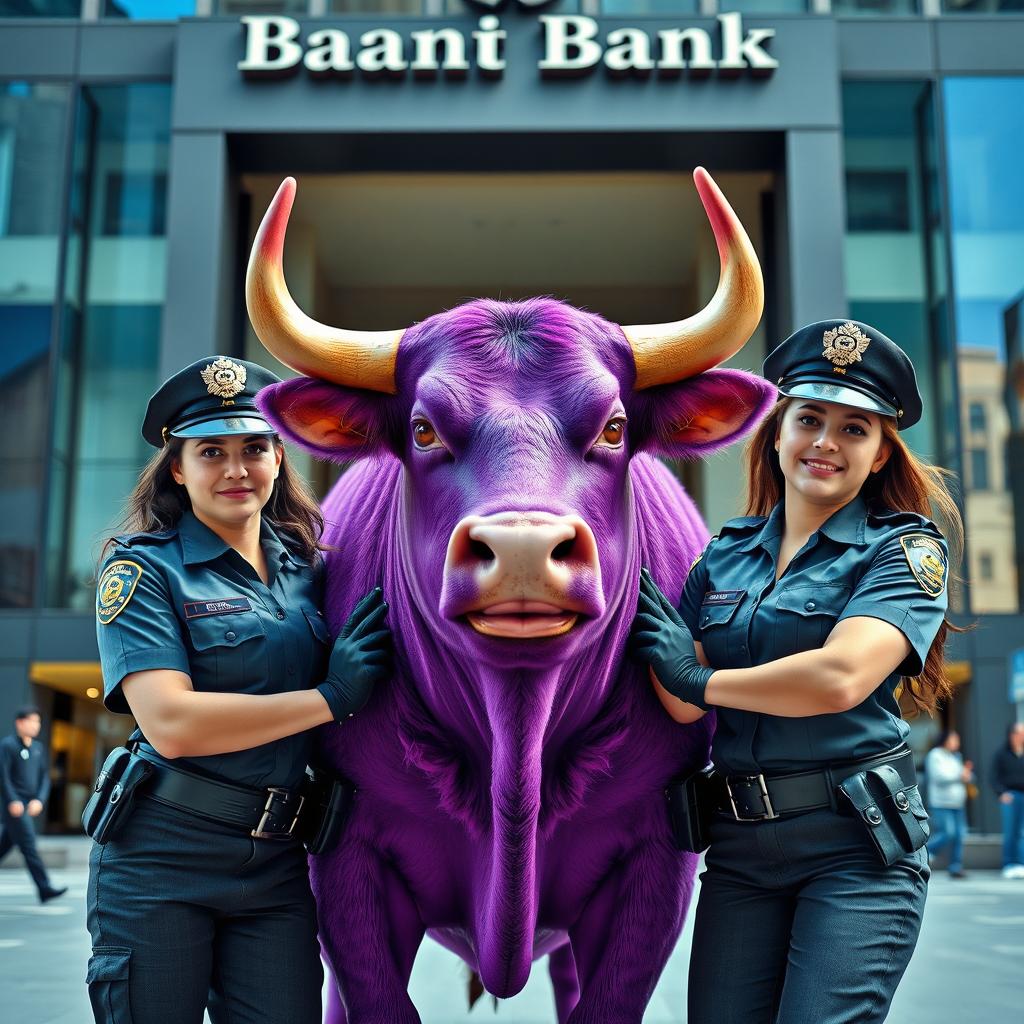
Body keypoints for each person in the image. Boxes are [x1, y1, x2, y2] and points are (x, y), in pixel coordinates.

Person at [632, 319, 962, 1024]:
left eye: (854, 429)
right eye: (809, 419)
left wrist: (700, 679)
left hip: (855, 850)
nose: (824, 442)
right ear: (778, 433)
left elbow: (839, 676)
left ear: (878, 457)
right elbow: (679, 703)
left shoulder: (902, 551)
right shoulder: (722, 555)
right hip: (742, 852)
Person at [87, 356, 392, 1024]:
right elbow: (172, 722)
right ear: (177, 466)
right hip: (163, 856)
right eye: (211, 452)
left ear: (279, 457)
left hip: (278, 863)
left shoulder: (314, 572)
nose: (236, 469)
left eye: (254, 447)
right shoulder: (144, 570)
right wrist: (330, 698)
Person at [0, 706, 67, 902]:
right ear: (20, 723)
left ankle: (44, 888)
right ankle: (44, 888)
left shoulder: (38, 748)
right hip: (15, 806)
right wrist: (12, 800)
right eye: (32, 721)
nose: (36, 725)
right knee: (29, 846)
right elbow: (3, 778)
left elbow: (45, 778)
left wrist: (39, 799)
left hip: (30, 804)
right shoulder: (8, 746)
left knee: (4, 845)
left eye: (37, 722)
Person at [924, 730, 973, 879]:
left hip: (958, 803)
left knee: (959, 835)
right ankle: (925, 852)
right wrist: (960, 775)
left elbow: (966, 777)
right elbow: (939, 776)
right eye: (954, 739)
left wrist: (967, 775)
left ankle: (956, 867)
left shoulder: (956, 756)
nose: (957, 742)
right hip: (941, 802)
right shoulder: (935, 755)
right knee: (948, 833)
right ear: (945, 740)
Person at [991, 721, 1024, 879]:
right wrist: (1001, 793)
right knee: (1010, 832)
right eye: (1020, 733)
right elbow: (993, 777)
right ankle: (1008, 864)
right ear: (1012, 735)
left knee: (1022, 833)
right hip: (1010, 797)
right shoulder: (1001, 754)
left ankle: (1020, 864)